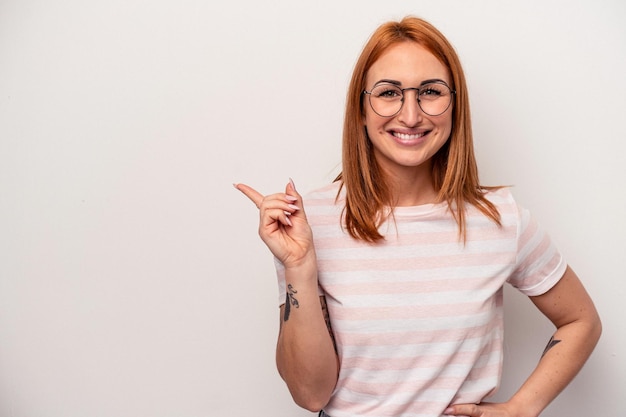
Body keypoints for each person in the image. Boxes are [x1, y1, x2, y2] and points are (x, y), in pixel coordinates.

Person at [235, 16, 601, 417]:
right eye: (389, 93)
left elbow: (580, 321)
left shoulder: (501, 219)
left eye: (430, 91)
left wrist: (522, 408)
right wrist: (299, 266)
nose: (411, 115)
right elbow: (310, 395)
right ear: (361, 109)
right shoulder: (309, 223)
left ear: (454, 105)